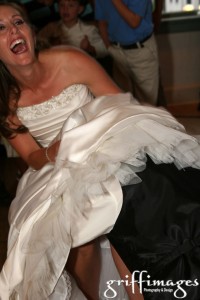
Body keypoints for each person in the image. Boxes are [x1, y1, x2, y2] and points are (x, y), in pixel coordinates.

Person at [0, 2, 200, 300]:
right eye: (0, 28)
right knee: (71, 239)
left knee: (139, 197)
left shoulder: (69, 59)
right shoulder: (5, 101)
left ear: (30, 29)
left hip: (106, 143)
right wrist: (53, 153)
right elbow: (30, 155)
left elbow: (121, 103)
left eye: (17, 21)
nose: (13, 30)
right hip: (55, 166)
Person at [95, 0, 159, 105]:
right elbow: (102, 22)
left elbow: (134, 21)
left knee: (147, 104)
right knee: (123, 103)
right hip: (117, 51)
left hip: (141, 51)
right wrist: (110, 48)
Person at [37, 0, 108, 59]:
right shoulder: (51, 28)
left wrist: (89, 48)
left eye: (71, 5)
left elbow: (104, 49)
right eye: (62, 5)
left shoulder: (88, 29)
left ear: (80, 9)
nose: (65, 9)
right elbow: (36, 42)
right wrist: (50, 44)